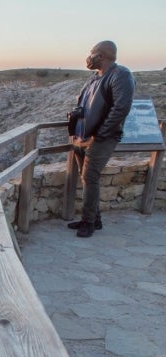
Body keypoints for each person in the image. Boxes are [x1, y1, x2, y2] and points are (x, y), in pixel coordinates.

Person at [68, 40, 135, 237]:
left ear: (102, 56)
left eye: (92, 53)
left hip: (101, 138)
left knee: (90, 176)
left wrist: (99, 135)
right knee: (86, 176)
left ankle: (88, 222)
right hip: (83, 136)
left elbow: (120, 108)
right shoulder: (94, 78)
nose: (89, 57)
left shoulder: (121, 75)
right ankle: (93, 219)